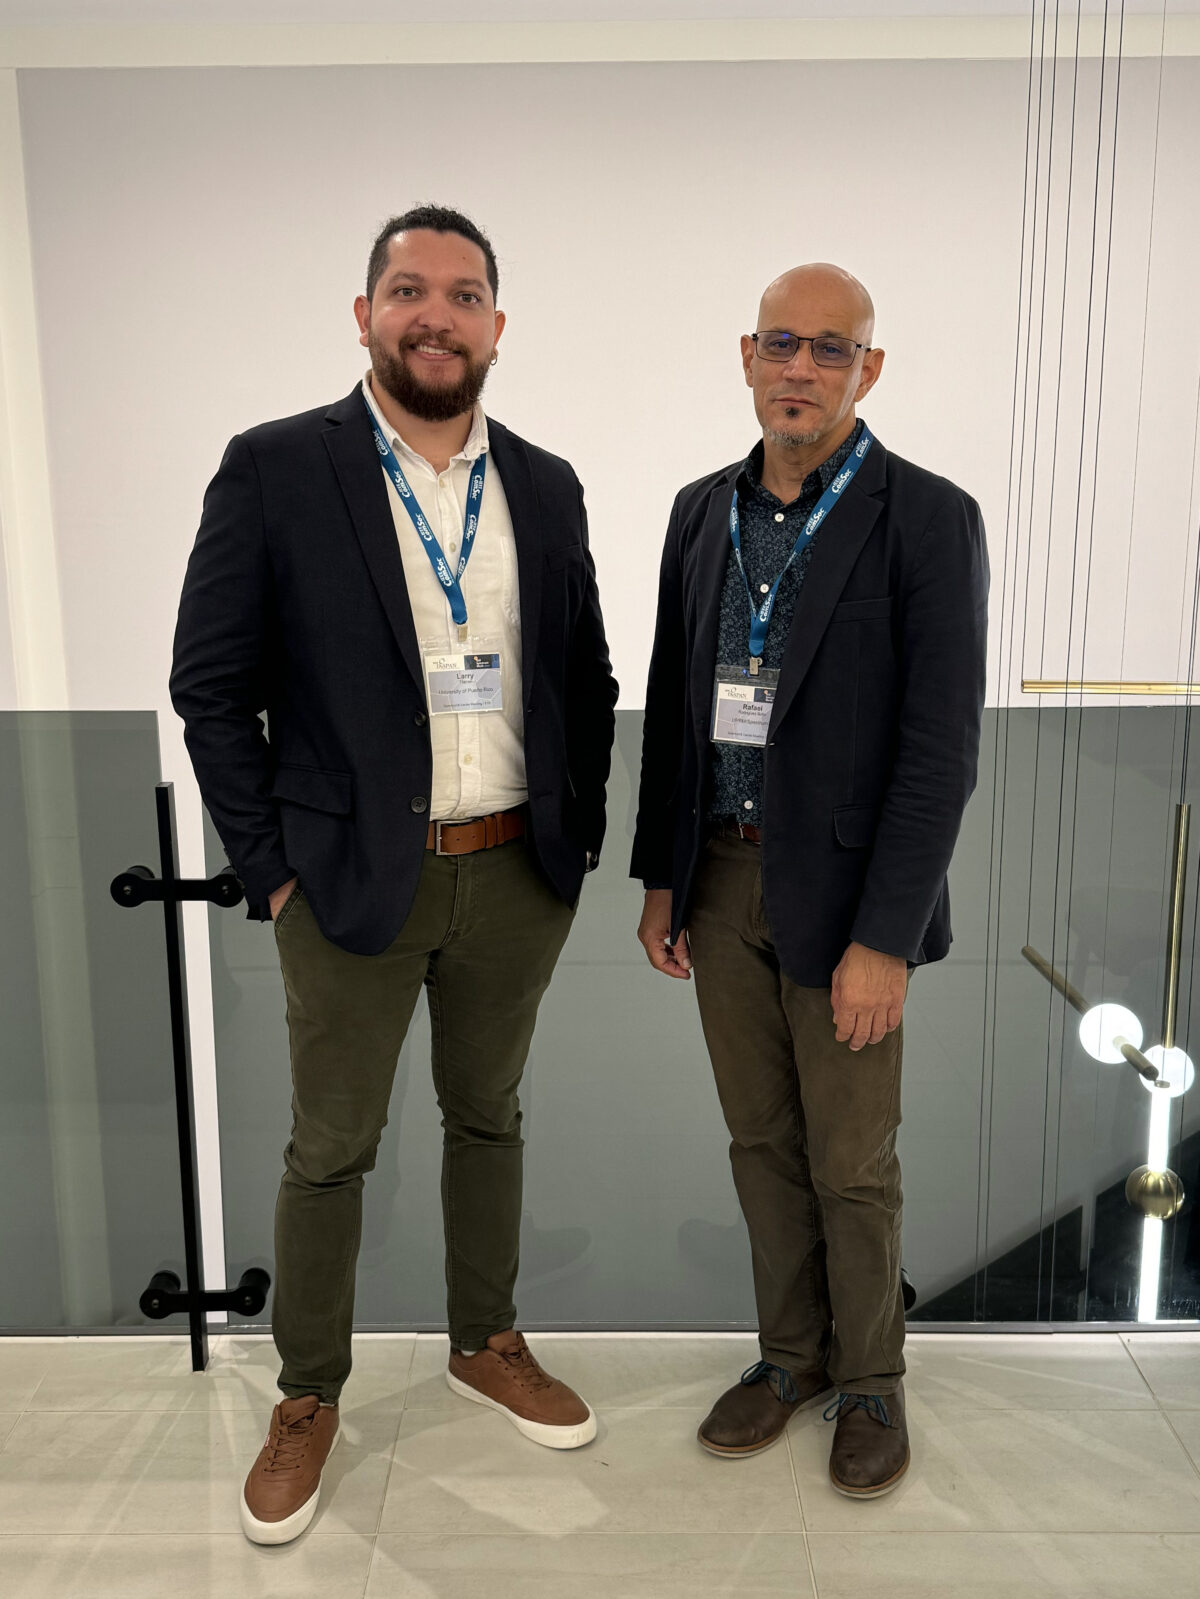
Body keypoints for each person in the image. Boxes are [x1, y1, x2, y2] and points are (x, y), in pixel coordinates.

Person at [171, 205, 617, 1544]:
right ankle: (309, 1393)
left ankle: (485, 1336)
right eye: (408, 289)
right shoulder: (275, 467)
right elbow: (209, 687)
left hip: (514, 872)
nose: (436, 313)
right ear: (364, 315)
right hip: (348, 883)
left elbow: (584, 676)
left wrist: (577, 840)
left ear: (496, 324)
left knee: (490, 1115)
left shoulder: (543, 482)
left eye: (463, 292)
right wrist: (271, 869)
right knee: (332, 1146)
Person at [632, 263, 988, 1498]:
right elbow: (677, 709)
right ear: (746, 354)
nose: (801, 368)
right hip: (720, 881)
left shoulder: (927, 517)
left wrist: (885, 937)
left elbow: (940, 749)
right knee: (759, 1141)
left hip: (846, 903)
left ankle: (874, 1377)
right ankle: (790, 1360)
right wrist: (661, 878)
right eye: (782, 344)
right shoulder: (697, 510)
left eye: (829, 350)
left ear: (867, 371)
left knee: (851, 1155)